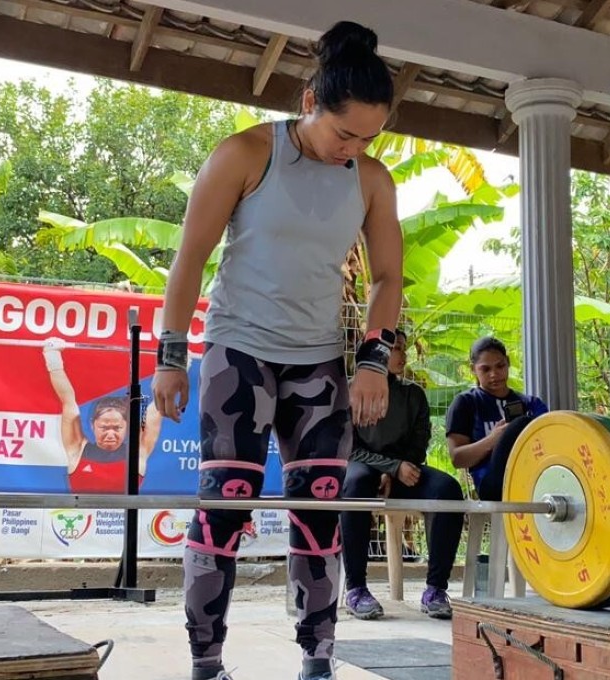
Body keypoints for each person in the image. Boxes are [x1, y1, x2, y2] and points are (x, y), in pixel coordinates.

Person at [151, 20, 403, 680]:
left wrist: (373, 360)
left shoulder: (371, 180)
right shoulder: (245, 153)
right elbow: (190, 260)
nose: (352, 147)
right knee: (225, 506)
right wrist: (171, 359)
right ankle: (207, 663)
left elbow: (387, 278)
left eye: (368, 138)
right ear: (309, 101)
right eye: (344, 132)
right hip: (240, 353)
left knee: (319, 514)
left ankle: (317, 661)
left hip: (318, 362)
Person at [340, 329, 464, 621]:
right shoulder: (349, 391)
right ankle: (356, 588)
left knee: (447, 489)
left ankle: (435, 589)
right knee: (356, 482)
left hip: (403, 470)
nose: (402, 354)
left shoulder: (413, 395)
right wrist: (388, 468)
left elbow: (418, 443)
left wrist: (400, 469)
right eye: (395, 348)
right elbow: (347, 448)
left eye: (403, 348)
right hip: (363, 467)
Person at [44, 337, 163, 493]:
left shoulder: (137, 452)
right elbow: (68, 401)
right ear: (93, 425)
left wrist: (171, 367)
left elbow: (158, 406)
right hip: (82, 518)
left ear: (126, 427)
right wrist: (53, 358)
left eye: (116, 427)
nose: (110, 433)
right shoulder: (77, 448)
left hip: (126, 518)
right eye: (104, 427)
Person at [445, 337, 549, 501]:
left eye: (500, 366)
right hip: (493, 484)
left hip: (535, 477)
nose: (494, 374)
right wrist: (492, 440)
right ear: (473, 369)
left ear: (508, 363)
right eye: (486, 369)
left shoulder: (531, 403)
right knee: (521, 424)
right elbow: (457, 458)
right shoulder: (465, 403)